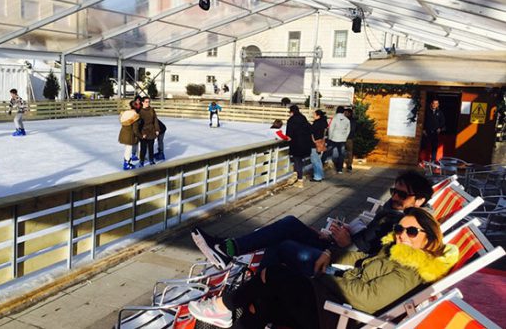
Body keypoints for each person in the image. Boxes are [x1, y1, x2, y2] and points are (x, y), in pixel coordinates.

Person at [189, 208, 458, 329]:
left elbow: (364, 298)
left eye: (411, 231)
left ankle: (225, 306)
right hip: (329, 301)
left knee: (274, 274)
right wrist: (333, 254)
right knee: (263, 302)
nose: (402, 235)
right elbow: (361, 259)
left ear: (429, 238)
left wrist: (325, 275)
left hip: (336, 314)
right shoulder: (396, 252)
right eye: (400, 229)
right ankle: (231, 309)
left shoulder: (411, 271)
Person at [192, 170, 433, 274]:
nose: (395, 197)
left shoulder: (407, 227)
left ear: (419, 200)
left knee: (282, 243)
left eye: (402, 194)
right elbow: (366, 237)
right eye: (394, 191)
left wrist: (340, 243)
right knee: (289, 223)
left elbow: (369, 253)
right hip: (339, 246)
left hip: (342, 260)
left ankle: (251, 289)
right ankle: (228, 248)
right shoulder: (392, 211)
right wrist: (341, 235)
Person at [285, 105, 312, 188]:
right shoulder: (303, 118)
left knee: (297, 161)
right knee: (299, 161)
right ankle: (297, 175)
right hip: (305, 143)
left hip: (296, 144)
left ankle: (300, 180)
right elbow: (309, 128)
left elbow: (288, 135)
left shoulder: (291, 120)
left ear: (292, 112)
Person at [118, 101, 141, 170]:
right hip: (130, 135)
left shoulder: (125, 113)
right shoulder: (134, 116)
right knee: (128, 149)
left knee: (127, 149)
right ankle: (126, 164)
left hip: (123, 133)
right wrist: (140, 136)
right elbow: (135, 129)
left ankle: (127, 162)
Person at [328, 106, 351, 174]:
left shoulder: (334, 119)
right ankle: (340, 169)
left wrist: (330, 137)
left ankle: (336, 165)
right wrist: (345, 137)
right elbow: (348, 130)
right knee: (341, 154)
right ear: (343, 111)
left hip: (334, 138)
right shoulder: (347, 120)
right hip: (343, 139)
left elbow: (331, 128)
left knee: (335, 154)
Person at [138, 97, 159, 167]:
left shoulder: (152, 110)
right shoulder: (140, 111)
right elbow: (139, 124)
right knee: (143, 148)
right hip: (143, 131)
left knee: (151, 147)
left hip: (151, 130)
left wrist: (157, 129)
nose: (148, 103)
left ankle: (151, 159)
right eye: (146, 102)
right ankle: (141, 161)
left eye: (149, 102)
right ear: (142, 102)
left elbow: (155, 120)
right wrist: (142, 133)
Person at [310, 109, 327, 182]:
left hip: (314, 144)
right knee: (318, 160)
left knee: (315, 160)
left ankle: (317, 176)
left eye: (314, 114)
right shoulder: (323, 123)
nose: (313, 115)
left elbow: (312, 132)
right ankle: (321, 175)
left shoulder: (316, 124)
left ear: (318, 116)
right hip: (321, 143)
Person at [344, 108, 357, 172]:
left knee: (348, 152)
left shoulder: (347, 120)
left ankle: (348, 165)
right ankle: (349, 165)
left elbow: (352, 130)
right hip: (350, 138)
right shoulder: (353, 120)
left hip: (348, 138)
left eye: (346, 113)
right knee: (349, 152)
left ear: (349, 113)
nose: (344, 114)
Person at [130, 95, 142, 161]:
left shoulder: (141, 107)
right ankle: (133, 154)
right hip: (135, 124)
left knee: (142, 141)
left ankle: (141, 154)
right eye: (137, 100)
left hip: (141, 125)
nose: (138, 101)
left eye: (139, 100)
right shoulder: (133, 107)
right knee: (135, 141)